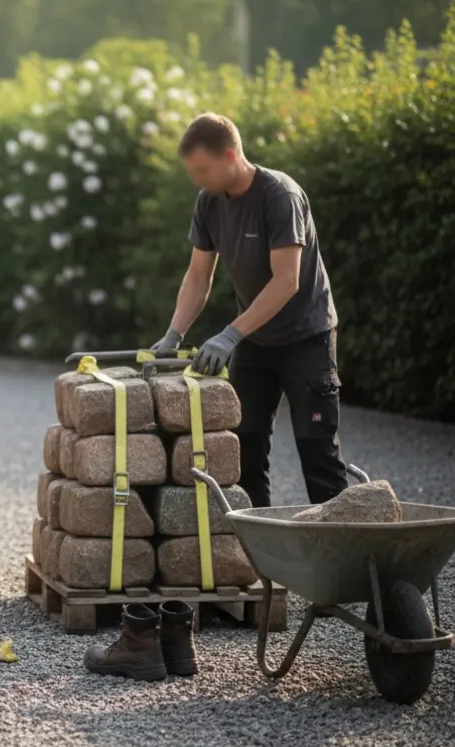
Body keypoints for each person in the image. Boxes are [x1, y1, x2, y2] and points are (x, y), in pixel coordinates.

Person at [150, 113, 346, 507]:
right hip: (256, 343)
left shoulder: (279, 196)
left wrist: (230, 334)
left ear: (230, 154)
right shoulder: (208, 202)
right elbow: (198, 275)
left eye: (203, 169)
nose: (197, 179)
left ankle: (344, 564)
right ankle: (259, 564)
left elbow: (286, 282)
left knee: (318, 456)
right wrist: (174, 334)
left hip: (306, 339)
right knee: (246, 451)